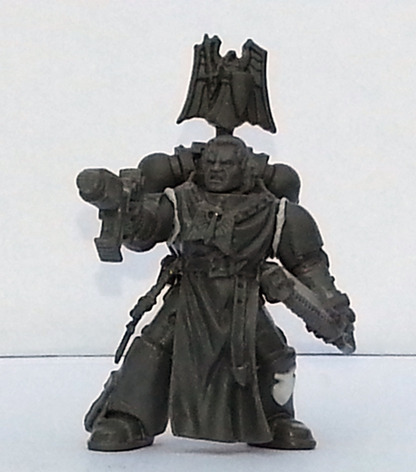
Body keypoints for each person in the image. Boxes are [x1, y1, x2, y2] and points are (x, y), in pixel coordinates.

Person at [83, 134, 355, 453]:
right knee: (153, 347)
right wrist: (123, 206)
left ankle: (275, 417)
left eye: (226, 164)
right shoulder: (182, 200)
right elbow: (148, 228)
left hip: (244, 297)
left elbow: (309, 265)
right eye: (210, 162)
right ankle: (129, 415)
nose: (216, 169)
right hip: (190, 295)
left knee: (273, 354)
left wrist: (330, 303)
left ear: (245, 168)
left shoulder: (276, 211)